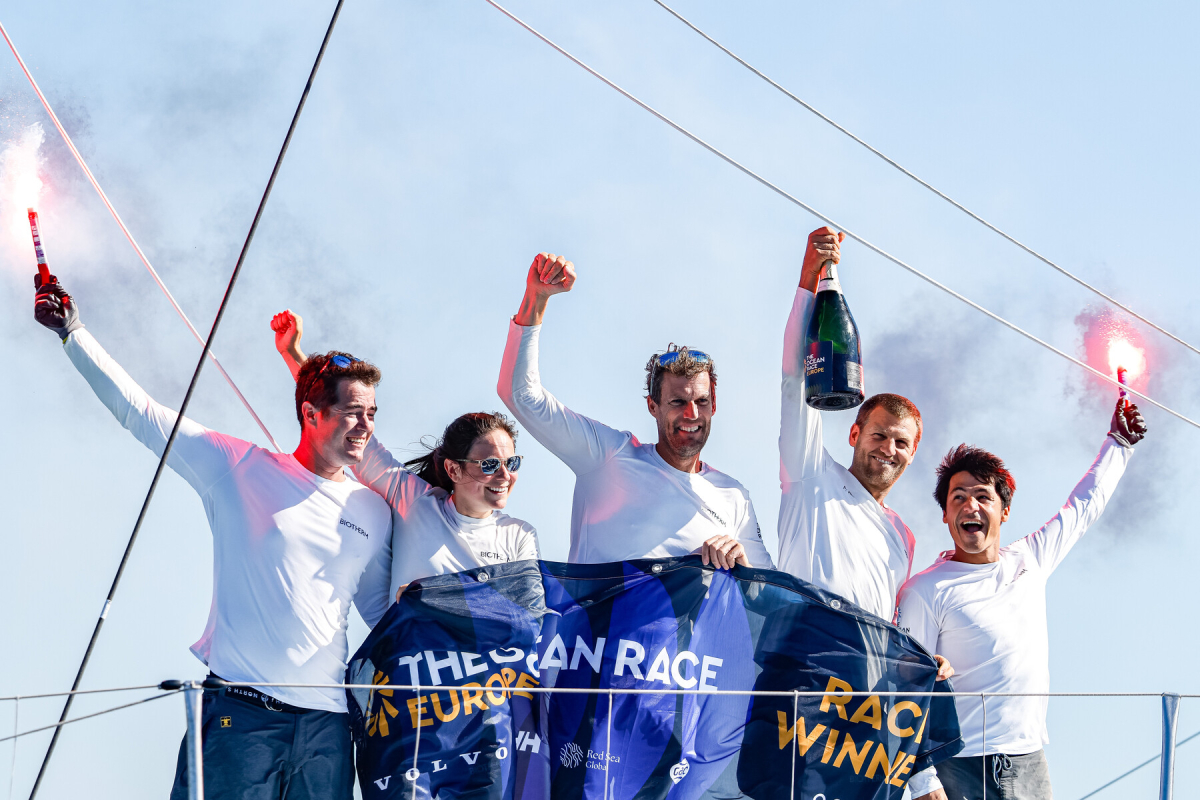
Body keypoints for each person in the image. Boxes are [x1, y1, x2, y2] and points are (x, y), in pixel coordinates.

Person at [34, 277, 392, 800]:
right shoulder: (240, 468)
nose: (365, 426)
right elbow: (140, 413)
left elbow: (384, 613)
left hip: (328, 727)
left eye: (372, 414)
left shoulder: (373, 511)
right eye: (353, 412)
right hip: (241, 718)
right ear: (312, 414)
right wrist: (73, 332)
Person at [898, 398, 1147, 800]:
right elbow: (905, 689)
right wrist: (925, 784)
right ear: (945, 514)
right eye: (958, 497)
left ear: (1005, 511)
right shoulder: (925, 591)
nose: (970, 505)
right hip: (960, 765)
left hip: (1029, 760)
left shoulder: (1029, 559)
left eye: (982, 496)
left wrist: (1119, 443)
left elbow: (1082, 507)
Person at [497, 252, 773, 569]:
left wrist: (743, 566)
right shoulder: (608, 456)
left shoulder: (733, 496)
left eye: (701, 402)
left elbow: (767, 592)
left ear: (714, 404)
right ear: (652, 406)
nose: (692, 414)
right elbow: (520, 394)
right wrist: (537, 297)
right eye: (677, 402)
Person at [272, 310, 539, 624]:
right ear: (454, 470)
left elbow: (529, 619)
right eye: (491, 464)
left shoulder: (519, 535)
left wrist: (433, 599)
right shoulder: (415, 502)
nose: (505, 476)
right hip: (407, 656)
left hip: (486, 659)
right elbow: (344, 423)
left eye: (512, 463)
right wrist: (293, 354)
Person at [777, 226, 924, 623]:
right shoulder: (811, 475)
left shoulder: (903, 537)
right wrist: (809, 278)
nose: (888, 449)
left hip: (862, 663)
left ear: (913, 453)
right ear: (854, 434)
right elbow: (795, 379)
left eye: (901, 443)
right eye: (878, 435)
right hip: (800, 651)